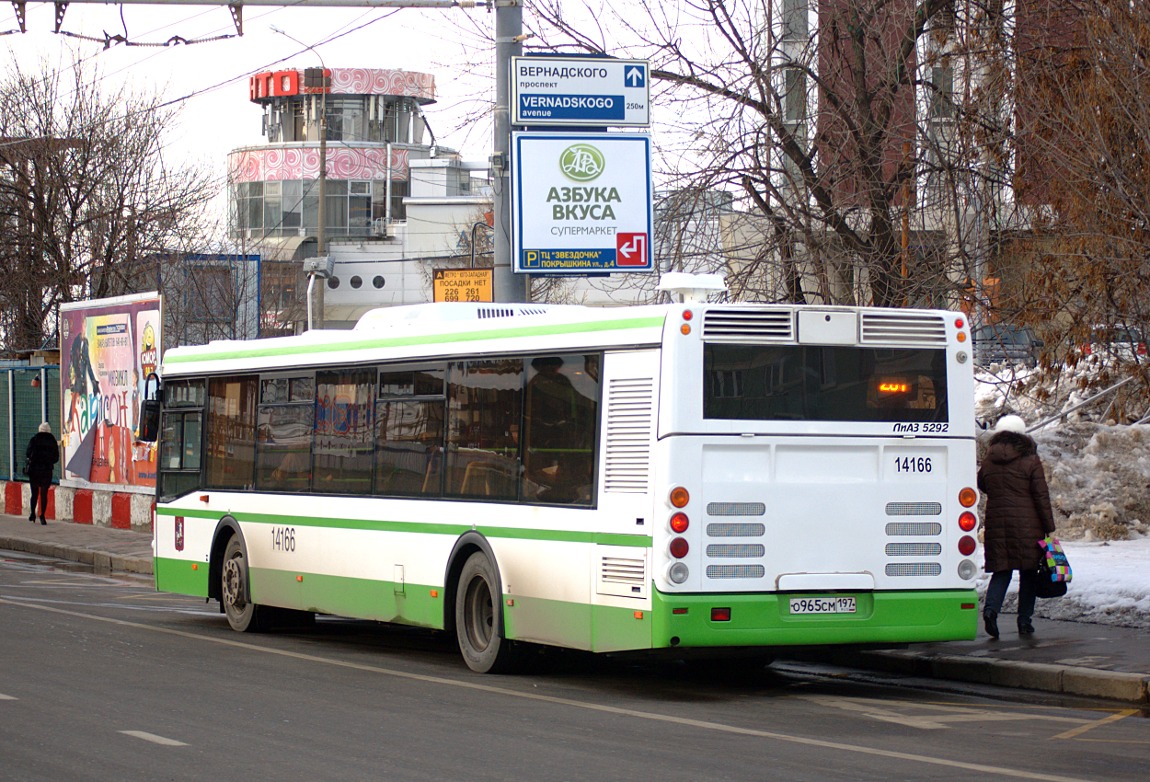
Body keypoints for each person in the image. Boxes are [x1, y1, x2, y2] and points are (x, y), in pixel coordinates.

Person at [977, 414, 1057, 638]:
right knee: (1029, 572)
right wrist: (1049, 526)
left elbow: (982, 483)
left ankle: (991, 612)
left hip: (997, 522)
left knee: (1001, 570)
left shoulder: (989, 459)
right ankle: (1024, 621)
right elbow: (1041, 495)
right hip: (1027, 524)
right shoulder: (1030, 459)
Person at [25, 422, 60, 525]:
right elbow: (56, 457)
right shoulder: (52, 441)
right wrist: (48, 461)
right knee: (44, 493)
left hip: (34, 469)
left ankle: (32, 514)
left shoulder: (34, 439)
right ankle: (42, 516)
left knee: (34, 493)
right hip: (47, 470)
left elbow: (28, 453)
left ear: (39, 429)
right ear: (49, 430)